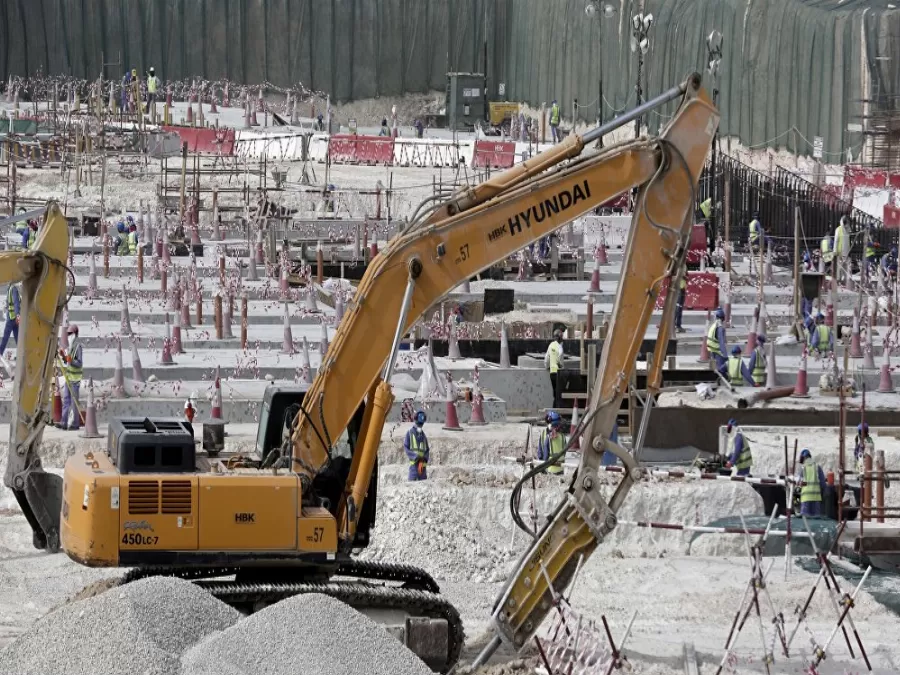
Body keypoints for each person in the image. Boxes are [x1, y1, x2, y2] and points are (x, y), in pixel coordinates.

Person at [58, 325, 83, 431]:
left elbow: (79, 363)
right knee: (66, 400)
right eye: (67, 334)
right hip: (69, 377)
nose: (68, 336)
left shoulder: (78, 346)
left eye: (70, 334)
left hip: (75, 379)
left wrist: (70, 360)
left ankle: (75, 424)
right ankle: (64, 422)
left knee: (74, 402)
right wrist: (64, 357)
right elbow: (67, 362)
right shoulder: (71, 346)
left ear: (75, 334)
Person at [796, 448, 826, 517]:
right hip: (816, 498)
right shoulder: (817, 467)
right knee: (816, 520)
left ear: (803, 458)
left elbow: (799, 484)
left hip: (805, 498)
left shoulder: (802, 468)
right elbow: (823, 484)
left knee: (805, 520)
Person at [404, 410, 430, 481]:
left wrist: (423, 459)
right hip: (414, 467)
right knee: (412, 487)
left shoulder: (423, 436)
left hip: (422, 468)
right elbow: (406, 447)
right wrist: (416, 457)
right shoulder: (410, 433)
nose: (420, 426)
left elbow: (427, 450)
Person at [537, 411, 566, 475]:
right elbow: (565, 452)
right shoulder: (563, 436)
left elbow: (543, 453)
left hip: (549, 469)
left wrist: (542, 466)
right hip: (561, 468)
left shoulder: (545, 435)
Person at [707, 307, 729, 376]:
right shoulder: (720, 328)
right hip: (717, 351)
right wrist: (725, 355)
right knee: (721, 369)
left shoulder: (714, 325)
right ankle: (723, 380)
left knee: (715, 368)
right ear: (723, 318)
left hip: (711, 349)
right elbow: (721, 342)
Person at [544, 330, 564, 408]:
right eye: (561, 337)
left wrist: (547, 366)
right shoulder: (559, 346)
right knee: (558, 394)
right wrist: (560, 365)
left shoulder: (551, 345)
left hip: (552, 373)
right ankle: (556, 411)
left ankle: (554, 410)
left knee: (555, 393)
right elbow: (560, 356)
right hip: (559, 373)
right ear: (559, 337)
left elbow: (546, 359)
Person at [1, 283, 20, 355]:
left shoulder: (11, 289)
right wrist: (18, 314)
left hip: (11, 317)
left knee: (6, 337)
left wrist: (17, 314)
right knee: (17, 338)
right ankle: (21, 355)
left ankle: (0, 352)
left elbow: (14, 303)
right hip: (13, 318)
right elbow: (13, 302)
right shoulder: (11, 289)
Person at [833, 216, 850, 285]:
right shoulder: (843, 230)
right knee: (841, 267)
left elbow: (837, 240)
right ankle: (840, 280)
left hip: (843, 252)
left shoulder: (843, 230)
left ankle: (841, 280)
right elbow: (837, 241)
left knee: (841, 267)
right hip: (842, 252)